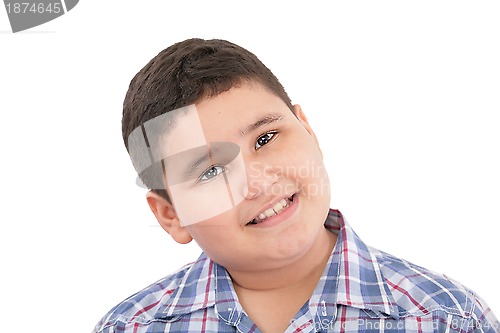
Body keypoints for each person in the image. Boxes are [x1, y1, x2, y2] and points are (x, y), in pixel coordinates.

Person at [92, 38, 499, 333]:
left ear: (308, 130)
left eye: (265, 139)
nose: (257, 182)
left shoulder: (446, 318)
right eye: (211, 171)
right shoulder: (130, 327)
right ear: (172, 215)